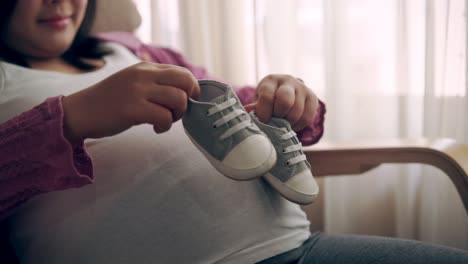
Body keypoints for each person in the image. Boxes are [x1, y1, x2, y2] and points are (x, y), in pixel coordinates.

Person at [0, 1, 466, 263]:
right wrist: (72, 119)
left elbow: (237, 103)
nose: (60, 1)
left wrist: (290, 100)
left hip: (296, 252)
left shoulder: (137, 51)